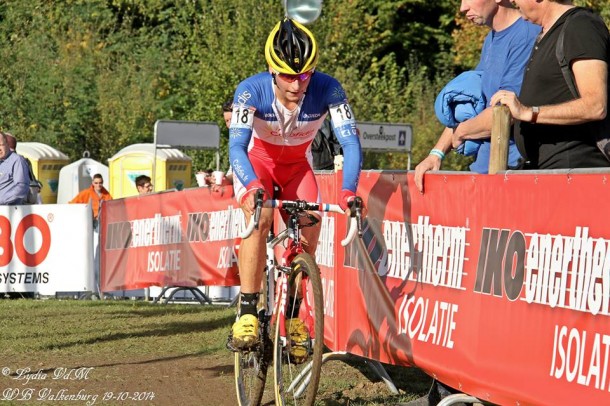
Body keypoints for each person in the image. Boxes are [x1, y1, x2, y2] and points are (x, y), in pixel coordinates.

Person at [228, 18, 362, 350]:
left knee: (308, 232)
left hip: (297, 169)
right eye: (287, 76)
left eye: (303, 76)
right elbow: (236, 147)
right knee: (258, 221)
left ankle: (293, 316)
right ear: (271, 70)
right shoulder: (250, 90)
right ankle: (246, 312)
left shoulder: (329, 89)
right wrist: (250, 186)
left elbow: (351, 144)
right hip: (257, 165)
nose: (296, 85)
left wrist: (348, 191)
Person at [414, 0, 540, 192]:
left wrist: (462, 131)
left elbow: (506, 113)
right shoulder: (491, 39)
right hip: (483, 174)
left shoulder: (525, 36)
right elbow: (474, 103)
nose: (462, 8)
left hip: (513, 174)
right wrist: (436, 154)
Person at [490, 1, 610, 169]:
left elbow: (596, 105)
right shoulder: (546, 33)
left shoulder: (581, 26)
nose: (511, 0)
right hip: (547, 171)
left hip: (575, 173)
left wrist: (527, 112)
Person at [0, 132, 30, 205]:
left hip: (8, 212)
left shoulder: (17, 161)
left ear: (7, 144)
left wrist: (2, 200)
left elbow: (22, 187)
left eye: (1, 145)